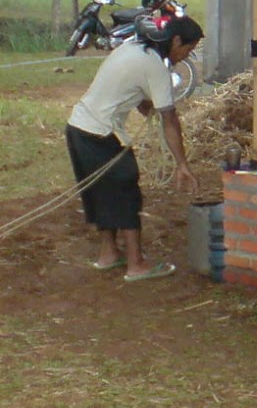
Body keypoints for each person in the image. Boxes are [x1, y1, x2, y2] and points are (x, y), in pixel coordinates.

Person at [64, 14, 203, 281]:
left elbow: (139, 96)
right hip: (99, 133)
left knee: (102, 192)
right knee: (126, 190)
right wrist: (182, 165)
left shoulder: (131, 47)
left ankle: (108, 254)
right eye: (189, 48)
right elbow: (169, 120)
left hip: (77, 128)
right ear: (175, 41)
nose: (186, 55)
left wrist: (147, 105)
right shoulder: (155, 68)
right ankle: (136, 264)